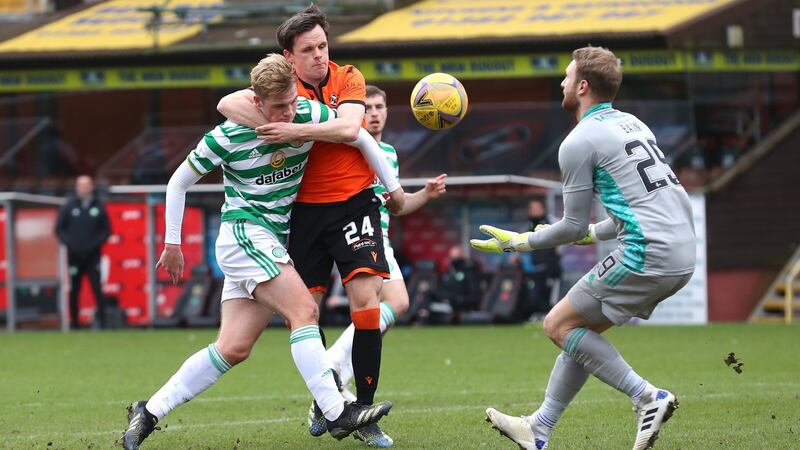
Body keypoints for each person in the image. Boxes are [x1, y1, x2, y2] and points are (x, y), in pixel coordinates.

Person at [120, 54, 403, 450]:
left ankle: (147, 411)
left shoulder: (305, 112)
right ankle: (337, 411)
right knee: (304, 311)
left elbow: (354, 133)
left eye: (291, 102)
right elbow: (178, 182)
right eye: (278, 107)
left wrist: (394, 191)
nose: (288, 112)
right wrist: (172, 243)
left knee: (233, 348)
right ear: (255, 102)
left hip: (266, 242)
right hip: (245, 234)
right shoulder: (227, 136)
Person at [471, 46, 695, 450]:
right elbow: (635, 208)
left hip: (648, 252)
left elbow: (570, 227)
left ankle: (648, 397)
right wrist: (595, 233)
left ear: (583, 86)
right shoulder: (633, 124)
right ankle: (540, 427)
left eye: (567, 75)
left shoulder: (579, 140)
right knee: (580, 332)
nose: (562, 82)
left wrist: (519, 242)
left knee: (557, 325)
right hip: (682, 249)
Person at [216, 5, 406, 442]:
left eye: (323, 45)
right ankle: (326, 402)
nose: (320, 55)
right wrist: (271, 119)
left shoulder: (348, 78)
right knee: (306, 312)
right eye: (309, 49)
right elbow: (227, 102)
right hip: (301, 211)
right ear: (289, 56)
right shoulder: (281, 89)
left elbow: (351, 129)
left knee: (367, 303)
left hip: (354, 203)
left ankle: (363, 412)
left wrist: (296, 132)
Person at [324, 85, 447, 447]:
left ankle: (334, 384)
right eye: (368, 107)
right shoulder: (349, 146)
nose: (374, 113)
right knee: (386, 306)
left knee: (394, 307)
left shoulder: (388, 153)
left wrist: (426, 193)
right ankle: (332, 373)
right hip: (355, 238)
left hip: (380, 239)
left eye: (380, 106)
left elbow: (397, 205)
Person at [55, 175, 110, 329]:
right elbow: (59, 229)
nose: (84, 187)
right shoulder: (69, 206)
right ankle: (74, 323)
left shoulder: (98, 206)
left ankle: (103, 322)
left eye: (87, 184)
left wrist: (93, 245)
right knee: (75, 289)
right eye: (81, 184)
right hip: (74, 256)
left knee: (97, 288)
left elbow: (106, 230)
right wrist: (72, 245)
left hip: (93, 256)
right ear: (76, 187)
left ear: (92, 186)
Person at [519, 198, 562, 319]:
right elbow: (519, 243)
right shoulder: (527, 226)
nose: (535, 211)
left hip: (551, 267)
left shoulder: (553, 222)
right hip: (534, 269)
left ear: (544, 209)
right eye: (533, 209)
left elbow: (566, 233)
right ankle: (538, 314)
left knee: (551, 294)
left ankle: (552, 316)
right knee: (535, 294)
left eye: (538, 208)